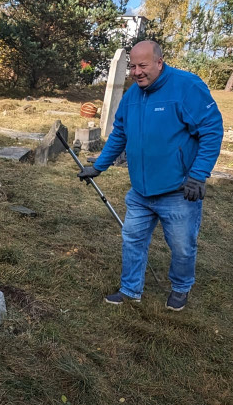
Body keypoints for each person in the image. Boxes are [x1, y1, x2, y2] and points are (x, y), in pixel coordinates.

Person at [78, 40, 223, 311]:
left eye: (142, 65)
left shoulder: (187, 87)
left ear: (159, 61)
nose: (136, 72)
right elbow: (119, 133)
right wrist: (99, 166)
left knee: (182, 247)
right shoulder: (133, 96)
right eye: (132, 66)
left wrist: (198, 174)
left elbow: (212, 129)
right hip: (141, 191)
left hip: (178, 191)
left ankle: (180, 288)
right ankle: (131, 289)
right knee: (132, 240)